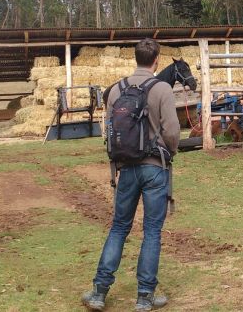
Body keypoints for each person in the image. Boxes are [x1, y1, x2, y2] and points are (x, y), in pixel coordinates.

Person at [82, 38, 179, 312]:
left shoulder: (117, 89)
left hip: (126, 169)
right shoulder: (162, 88)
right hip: (154, 168)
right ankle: (144, 296)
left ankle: (99, 292)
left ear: (134, 58)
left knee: (119, 228)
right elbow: (171, 129)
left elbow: (110, 129)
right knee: (151, 231)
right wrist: (170, 152)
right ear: (156, 60)